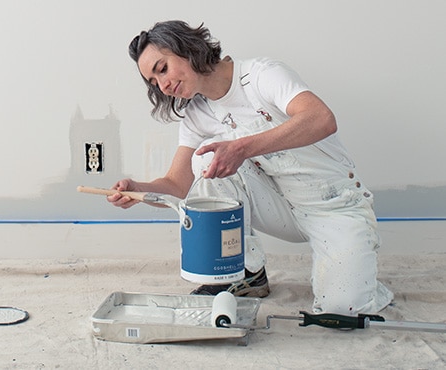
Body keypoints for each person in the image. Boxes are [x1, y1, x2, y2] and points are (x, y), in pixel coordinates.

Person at [107, 20, 393, 315]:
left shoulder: (261, 75)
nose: (163, 85)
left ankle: (360, 276)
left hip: (334, 204)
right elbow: (178, 185)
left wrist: (242, 148)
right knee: (205, 161)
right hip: (282, 208)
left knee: (342, 311)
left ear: (186, 48)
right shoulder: (197, 114)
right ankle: (245, 272)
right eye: (154, 83)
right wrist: (140, 190)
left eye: (162, 69)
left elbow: (322, 119)